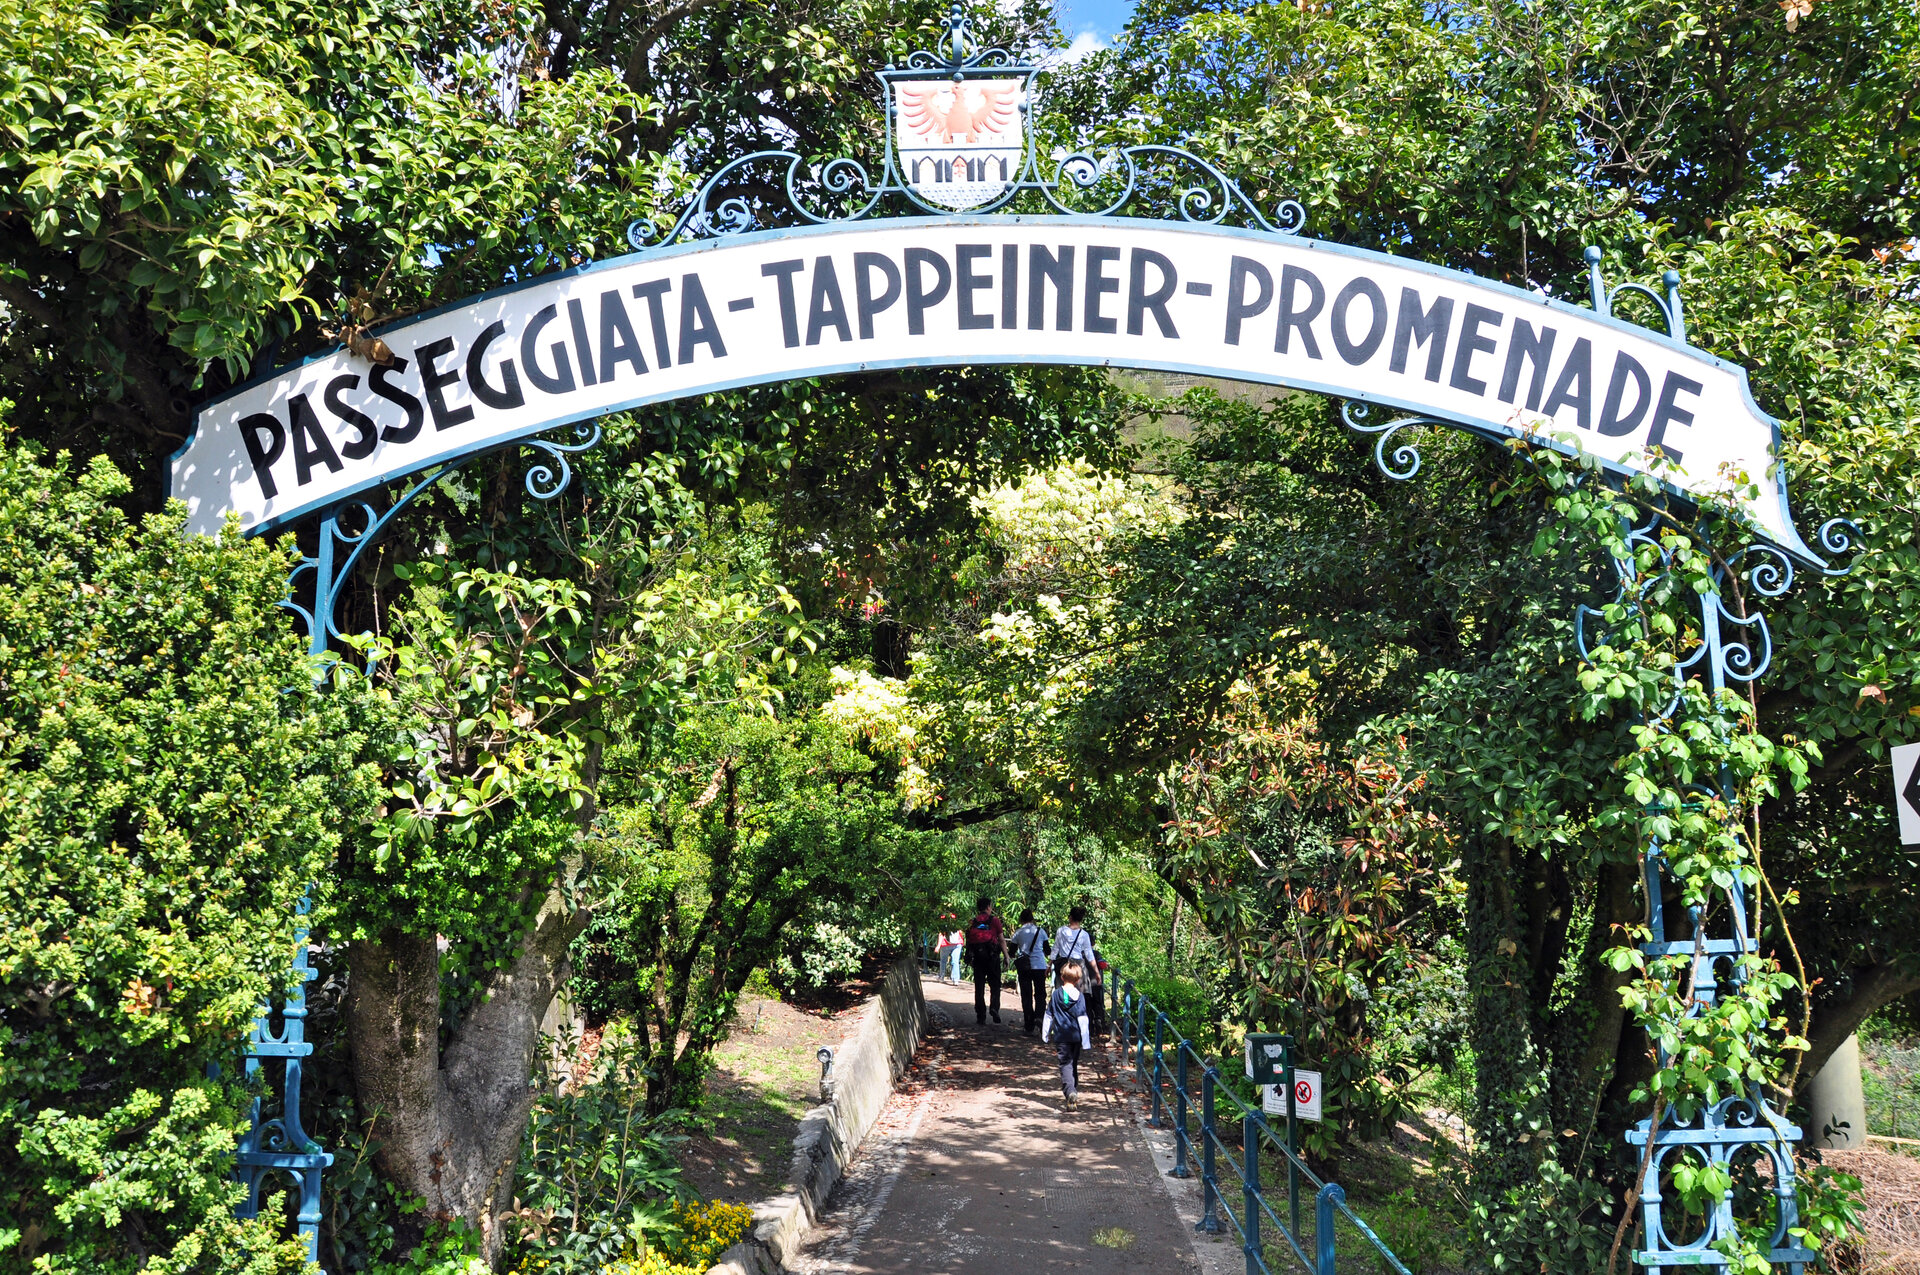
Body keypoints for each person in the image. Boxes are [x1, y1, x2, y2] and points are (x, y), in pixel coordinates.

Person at [1041, 959, 1093, 1108]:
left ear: (1062, 977)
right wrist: (1086, 1041)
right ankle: (1072, 1093)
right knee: (1073, 1064)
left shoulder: (1056, 995)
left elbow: (1049, 1015)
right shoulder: (1080, 997)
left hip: (1061, 1036)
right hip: (1076, 1036)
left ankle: (1070, 1091)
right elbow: (1083, 1019)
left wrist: (1045, 1033)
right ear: (1077, 980)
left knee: (1065, 1064)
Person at [964, 896, 1008, 1025]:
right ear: (988, 907)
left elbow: (969, 941)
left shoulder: (972, 922)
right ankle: (994, 1008)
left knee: (979, 986)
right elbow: (1001, 939)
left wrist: (969, 956)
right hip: (992, 957)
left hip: (977, 958)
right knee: (995, 985)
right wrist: (1006, 956)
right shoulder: (994, 921)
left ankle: (981, 1015)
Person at [1008, 908, 1051, 1033]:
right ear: (1032, 918)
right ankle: (1039, 1017)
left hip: (1024, 967)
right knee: (1040, 994)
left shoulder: (1018, 933)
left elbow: (1011, 952)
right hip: (1039, 966)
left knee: (1026, 996)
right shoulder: (1041, 931)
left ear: (1021, 919)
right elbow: (1047, 951)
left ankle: (1028, 1024)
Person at [932, 916, 961, 985]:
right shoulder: (958, 921)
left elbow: (941, 934)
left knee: (943, 961)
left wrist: (938, 946)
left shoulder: (943, 919)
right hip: (957, 943)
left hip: (945, 944)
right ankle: (955, 979)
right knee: (955, 962)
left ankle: (941, 977)